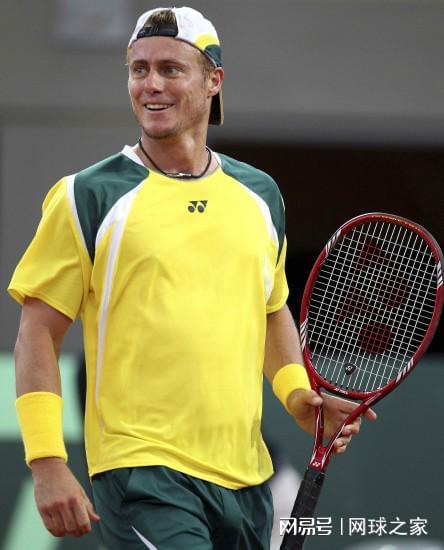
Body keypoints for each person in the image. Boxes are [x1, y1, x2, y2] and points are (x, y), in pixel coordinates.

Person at [8, 7, 376, 549]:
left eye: (170, 69)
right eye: (139, 69)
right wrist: (46, 461)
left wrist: (298, 395)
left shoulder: (260, 195)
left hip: (247, 478)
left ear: (213, 81)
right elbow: (37, 330)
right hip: (142, 473)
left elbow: (270, 310)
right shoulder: (86, 195)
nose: (150, 84)